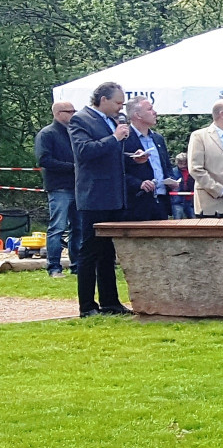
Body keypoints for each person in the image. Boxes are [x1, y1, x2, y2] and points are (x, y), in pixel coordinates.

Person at [69, 82, 134, 315]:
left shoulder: (111, 121)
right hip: (94, 195)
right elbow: (84, 152)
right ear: (103, 99)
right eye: (117, 103)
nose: (120, 108)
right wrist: (115, 138)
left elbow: (109, 153)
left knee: (107, 252)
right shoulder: (81, 120)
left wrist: (131, 156)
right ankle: (87, 305)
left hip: (113, 195)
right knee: (90, 251)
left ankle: (110, 302)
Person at [36, 101, 77, 278]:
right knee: (57, 228)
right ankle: (54, 266)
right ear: (59, 113)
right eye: (70, 111)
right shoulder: (47, 134)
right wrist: (72, 167)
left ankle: (77, 266)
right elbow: (44, 160)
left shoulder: (74, 133)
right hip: (59, 187)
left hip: (77, 187)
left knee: (78, 228)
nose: (74, 114)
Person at [122, 98, 174, 223]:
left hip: (161, 201)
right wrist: (138, 183)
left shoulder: (158, 138)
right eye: (150, 109)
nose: (155, 112)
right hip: (137, 203)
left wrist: (171, 180)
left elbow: (166, 166)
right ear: (137, 115)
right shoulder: (124, 138)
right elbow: (117, 171)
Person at [167, 153, 194, 219]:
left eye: (185, 163)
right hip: (177, 200)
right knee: (177, 220)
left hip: (190, 200)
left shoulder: (192, 171)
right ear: (177, 162)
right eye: (180, 163)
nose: (183, 165)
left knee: (194, 219)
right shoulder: (173, 171)